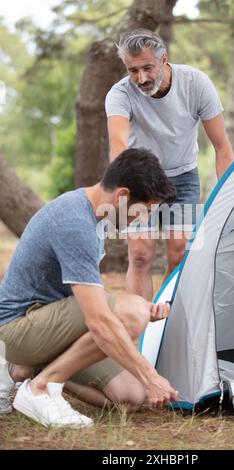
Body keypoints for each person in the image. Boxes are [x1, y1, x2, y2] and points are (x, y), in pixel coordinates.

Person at [0, 148, 179, 428]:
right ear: (122, 196)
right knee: (129, 314)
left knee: (132, 397)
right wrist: (151, 375)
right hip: (19, 327)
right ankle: (42, 388)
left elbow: (91, 296)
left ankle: (30, 371)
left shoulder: (101, 218)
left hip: (51, 325)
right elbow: (98, 320)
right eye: (143, 211)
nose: (141, 220)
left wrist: (140, 312)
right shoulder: (75, 222)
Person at [105, 28, 234, 300]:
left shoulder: (196, 84)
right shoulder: (120, 94)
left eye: (148, 68)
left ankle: (161, 318)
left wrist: (228, 197)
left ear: (165, 59)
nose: (141, 78)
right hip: (140, 180)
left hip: (184, 177)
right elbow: (118, 146)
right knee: (140, 254)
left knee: (180, 252)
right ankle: (139, 328)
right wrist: (125, 192)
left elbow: (222, 148)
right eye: (133, 70)